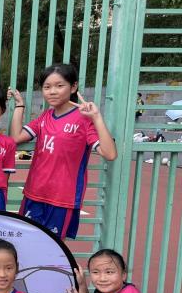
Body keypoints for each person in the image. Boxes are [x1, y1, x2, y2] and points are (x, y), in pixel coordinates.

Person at [9, 63, 117, 239]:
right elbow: (16, 137)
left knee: (54, 248)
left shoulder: (84, 119)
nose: (52, 91)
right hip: (34, 193)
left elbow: (110, 153)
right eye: (47, 87)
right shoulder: (45, 116)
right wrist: (20, 106)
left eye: (59, 86)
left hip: (62, 198)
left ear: (73, 87)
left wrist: (96, 117)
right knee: (25, 242)